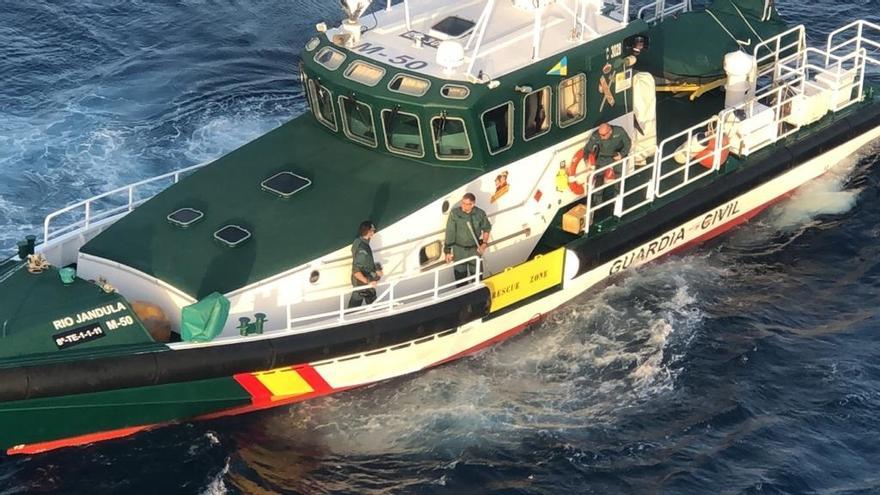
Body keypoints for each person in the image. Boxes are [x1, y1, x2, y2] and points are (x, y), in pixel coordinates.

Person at [444, 193, 491, 282]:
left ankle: (477, 293)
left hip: (474, 250)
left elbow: (487, 229)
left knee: (477, 277)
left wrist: (484, 244)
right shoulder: (455, 214)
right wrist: (447, 251)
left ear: (472, 204)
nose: (463, 206)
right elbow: (450, 232)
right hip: (459, 251)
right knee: (460, 277)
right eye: (462, 203)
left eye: (466, 204)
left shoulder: (480, 214)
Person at [583, 122, 631, 205]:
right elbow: (587, 149)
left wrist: (622, 154)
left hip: (617, 156)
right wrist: (586, 160)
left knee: (619, 177)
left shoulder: (619, 131)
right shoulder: (596, 136)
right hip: (603, 157)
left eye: (603, 135)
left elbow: (628, 143)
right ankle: (597, 202)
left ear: (610, 131)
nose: (601, 137)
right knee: (598, 178)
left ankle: (617, 200)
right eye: (600, 134)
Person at [349, 220, 383, 308]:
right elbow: (356, 271)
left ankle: (350, 316)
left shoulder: (358, 241)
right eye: (372, 230)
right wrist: (369, 282)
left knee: (355, 303)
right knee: (372, 303)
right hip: (364, 283)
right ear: (368, 232)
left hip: (359, 283)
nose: (373, 232)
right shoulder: (362, 251)